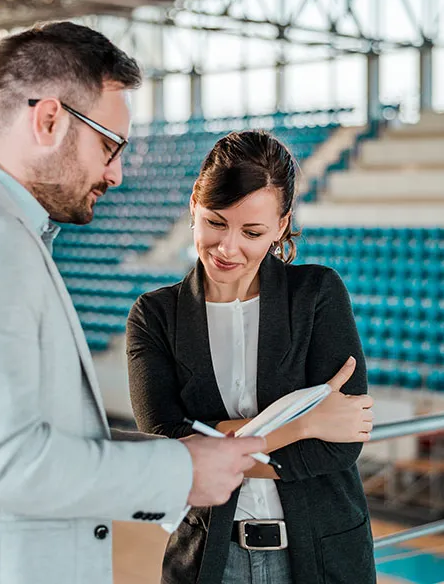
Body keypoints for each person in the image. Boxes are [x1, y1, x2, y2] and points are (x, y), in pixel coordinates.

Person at [0, 22, 268, 584]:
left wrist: (188, 454)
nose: (117, 173)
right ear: (49, 119)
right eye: (110, 145)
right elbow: (2, 465)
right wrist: (180, 470)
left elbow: (29, 436)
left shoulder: (0, 232)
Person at [126, 130, 377, 584]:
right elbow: (168, 447)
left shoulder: (317, 294)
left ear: (281, 226)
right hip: (209, 558)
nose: (228, 248)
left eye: (253, 231)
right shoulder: (155, 315)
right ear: (193, 208)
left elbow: (340, 445)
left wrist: (214, 448)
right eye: (216, 223)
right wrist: (303, 424)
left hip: (322, 554)